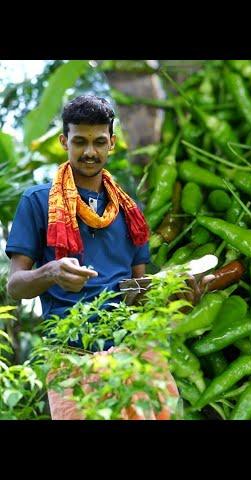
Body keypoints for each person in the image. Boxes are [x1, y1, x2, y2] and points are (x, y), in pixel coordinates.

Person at [5, 95, 179, 419]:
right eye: (80, 141)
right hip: (71, 358)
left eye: (99, 141)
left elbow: (138, 290)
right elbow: (14, 286)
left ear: (112, 142)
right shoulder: (37, 202)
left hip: (133, 353)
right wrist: (51, 273)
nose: (90, 152)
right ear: (64, 141)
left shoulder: (130, 211)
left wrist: (173, 290)